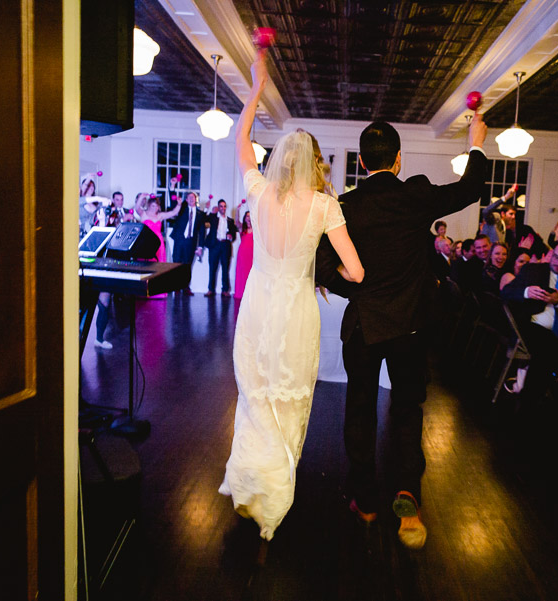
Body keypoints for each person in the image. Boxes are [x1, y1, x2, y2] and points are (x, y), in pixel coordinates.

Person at [316, 110, 489, 550]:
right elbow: (470, 189)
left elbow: (318, 264)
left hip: (364, 324)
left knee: (359, 408)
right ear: (397, 161)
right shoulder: (416, 196)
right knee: (408, 408)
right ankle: (407, 495)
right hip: (411, 325)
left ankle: (366, 499)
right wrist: (476, 141)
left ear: (361, 161)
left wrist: (351, 287)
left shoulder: (346, 206)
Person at [219, 50, 364, 542]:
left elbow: (241, 140)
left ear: (280, 161)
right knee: (289, 405)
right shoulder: (325, 205)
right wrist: (323, 272)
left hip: (257, 305)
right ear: (316, 164)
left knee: (254, 398)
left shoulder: (258, 192)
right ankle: (275, 495)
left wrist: (258, 85)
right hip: (298, 309)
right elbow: (357, 271)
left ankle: (248, 490)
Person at [501, 242, 558, 413]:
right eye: (556, 257)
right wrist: (526, 292)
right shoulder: (533, 270)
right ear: (552, 254)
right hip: (532, 325)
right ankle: (528, 403)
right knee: (547, 348)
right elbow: (506, 292)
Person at [168, 191, 206, 296]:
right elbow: (173, 204)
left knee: (187, 265)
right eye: (189, 197)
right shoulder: (181, 209)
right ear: (186, 200)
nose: (191, 199)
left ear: (196, 199)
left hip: (191, 242)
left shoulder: (200, 214)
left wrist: (200, 247)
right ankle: (175, 287)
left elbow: (202, 232)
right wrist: (172, 188)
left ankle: (185, 287)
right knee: (176, 263)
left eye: (193, 197)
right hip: (179, 240)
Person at [204, 199, 239, 297]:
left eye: (224, 206)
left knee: (225, 268)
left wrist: (231, 236)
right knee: (212, 268)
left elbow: (234, 235)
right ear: (218, 207)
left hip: (225, 246)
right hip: (214, 245)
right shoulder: (213, 217)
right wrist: (207, 208)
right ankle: (211, 289)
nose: (223, 208)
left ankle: (225, 290)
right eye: (221, 206)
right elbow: (204, 219)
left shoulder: (230, 220)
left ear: (225, 208)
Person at [233, 211, 253, 299]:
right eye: (247, 216)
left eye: (250, 216)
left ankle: (251, 293)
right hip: (242, 253)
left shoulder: (256, 229)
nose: (248, 218)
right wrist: (238, 210)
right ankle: (241, 293)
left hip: (252, 253)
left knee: (251, 273)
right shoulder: (242, 228)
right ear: (245, 218)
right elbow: (236, 221)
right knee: (242, 273)